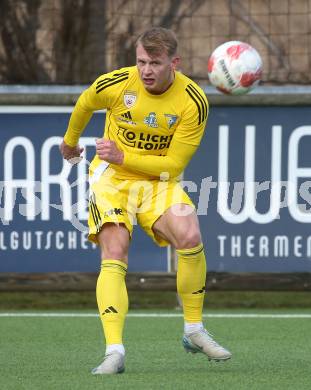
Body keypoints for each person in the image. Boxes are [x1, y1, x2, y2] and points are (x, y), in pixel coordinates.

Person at [60, 27, 231, 375]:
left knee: (190, 235)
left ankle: (194, 329)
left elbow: (172, 165)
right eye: (141, 61)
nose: (146, 70)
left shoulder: (193, 101)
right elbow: (85, 102)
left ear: (175, 63)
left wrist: (123, 155)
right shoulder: (118, 83)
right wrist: (69, 140)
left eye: (155, 62)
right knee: (115, 247)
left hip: (158, 180)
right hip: (111, 179)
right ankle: (114, 351)